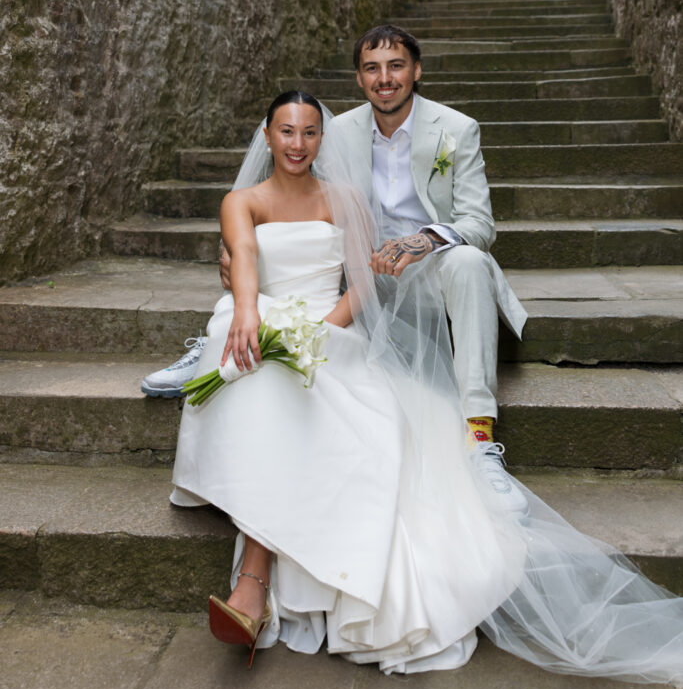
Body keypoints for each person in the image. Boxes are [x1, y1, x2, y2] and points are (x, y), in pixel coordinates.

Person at [170, 90, 683, 682]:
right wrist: (248, 315)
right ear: (267, 137)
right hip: (258, 315)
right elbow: (245, 264)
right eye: (286, 131)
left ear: (322, 140)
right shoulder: (242, 200)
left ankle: (251, 585)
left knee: (303, 388)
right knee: (257, 380)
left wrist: (319, 336)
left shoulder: (344, 198)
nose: (297, 144)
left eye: (310, 133)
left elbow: (361, 283)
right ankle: (255, 580)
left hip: (329, 326)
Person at [147, 25, 525, 509]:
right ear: (359, 78)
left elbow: (479, 224)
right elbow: (288, 191)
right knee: (264, 262)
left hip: (434, 268)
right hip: (358, 268)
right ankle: (216, 348)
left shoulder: (457, 129)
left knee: (472, 261)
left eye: (395, 66)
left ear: (416, 71)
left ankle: (478, 439)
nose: (384, 78)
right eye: (372, 68)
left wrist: (422, 241)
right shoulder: (336, 130)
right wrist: (242, 244)